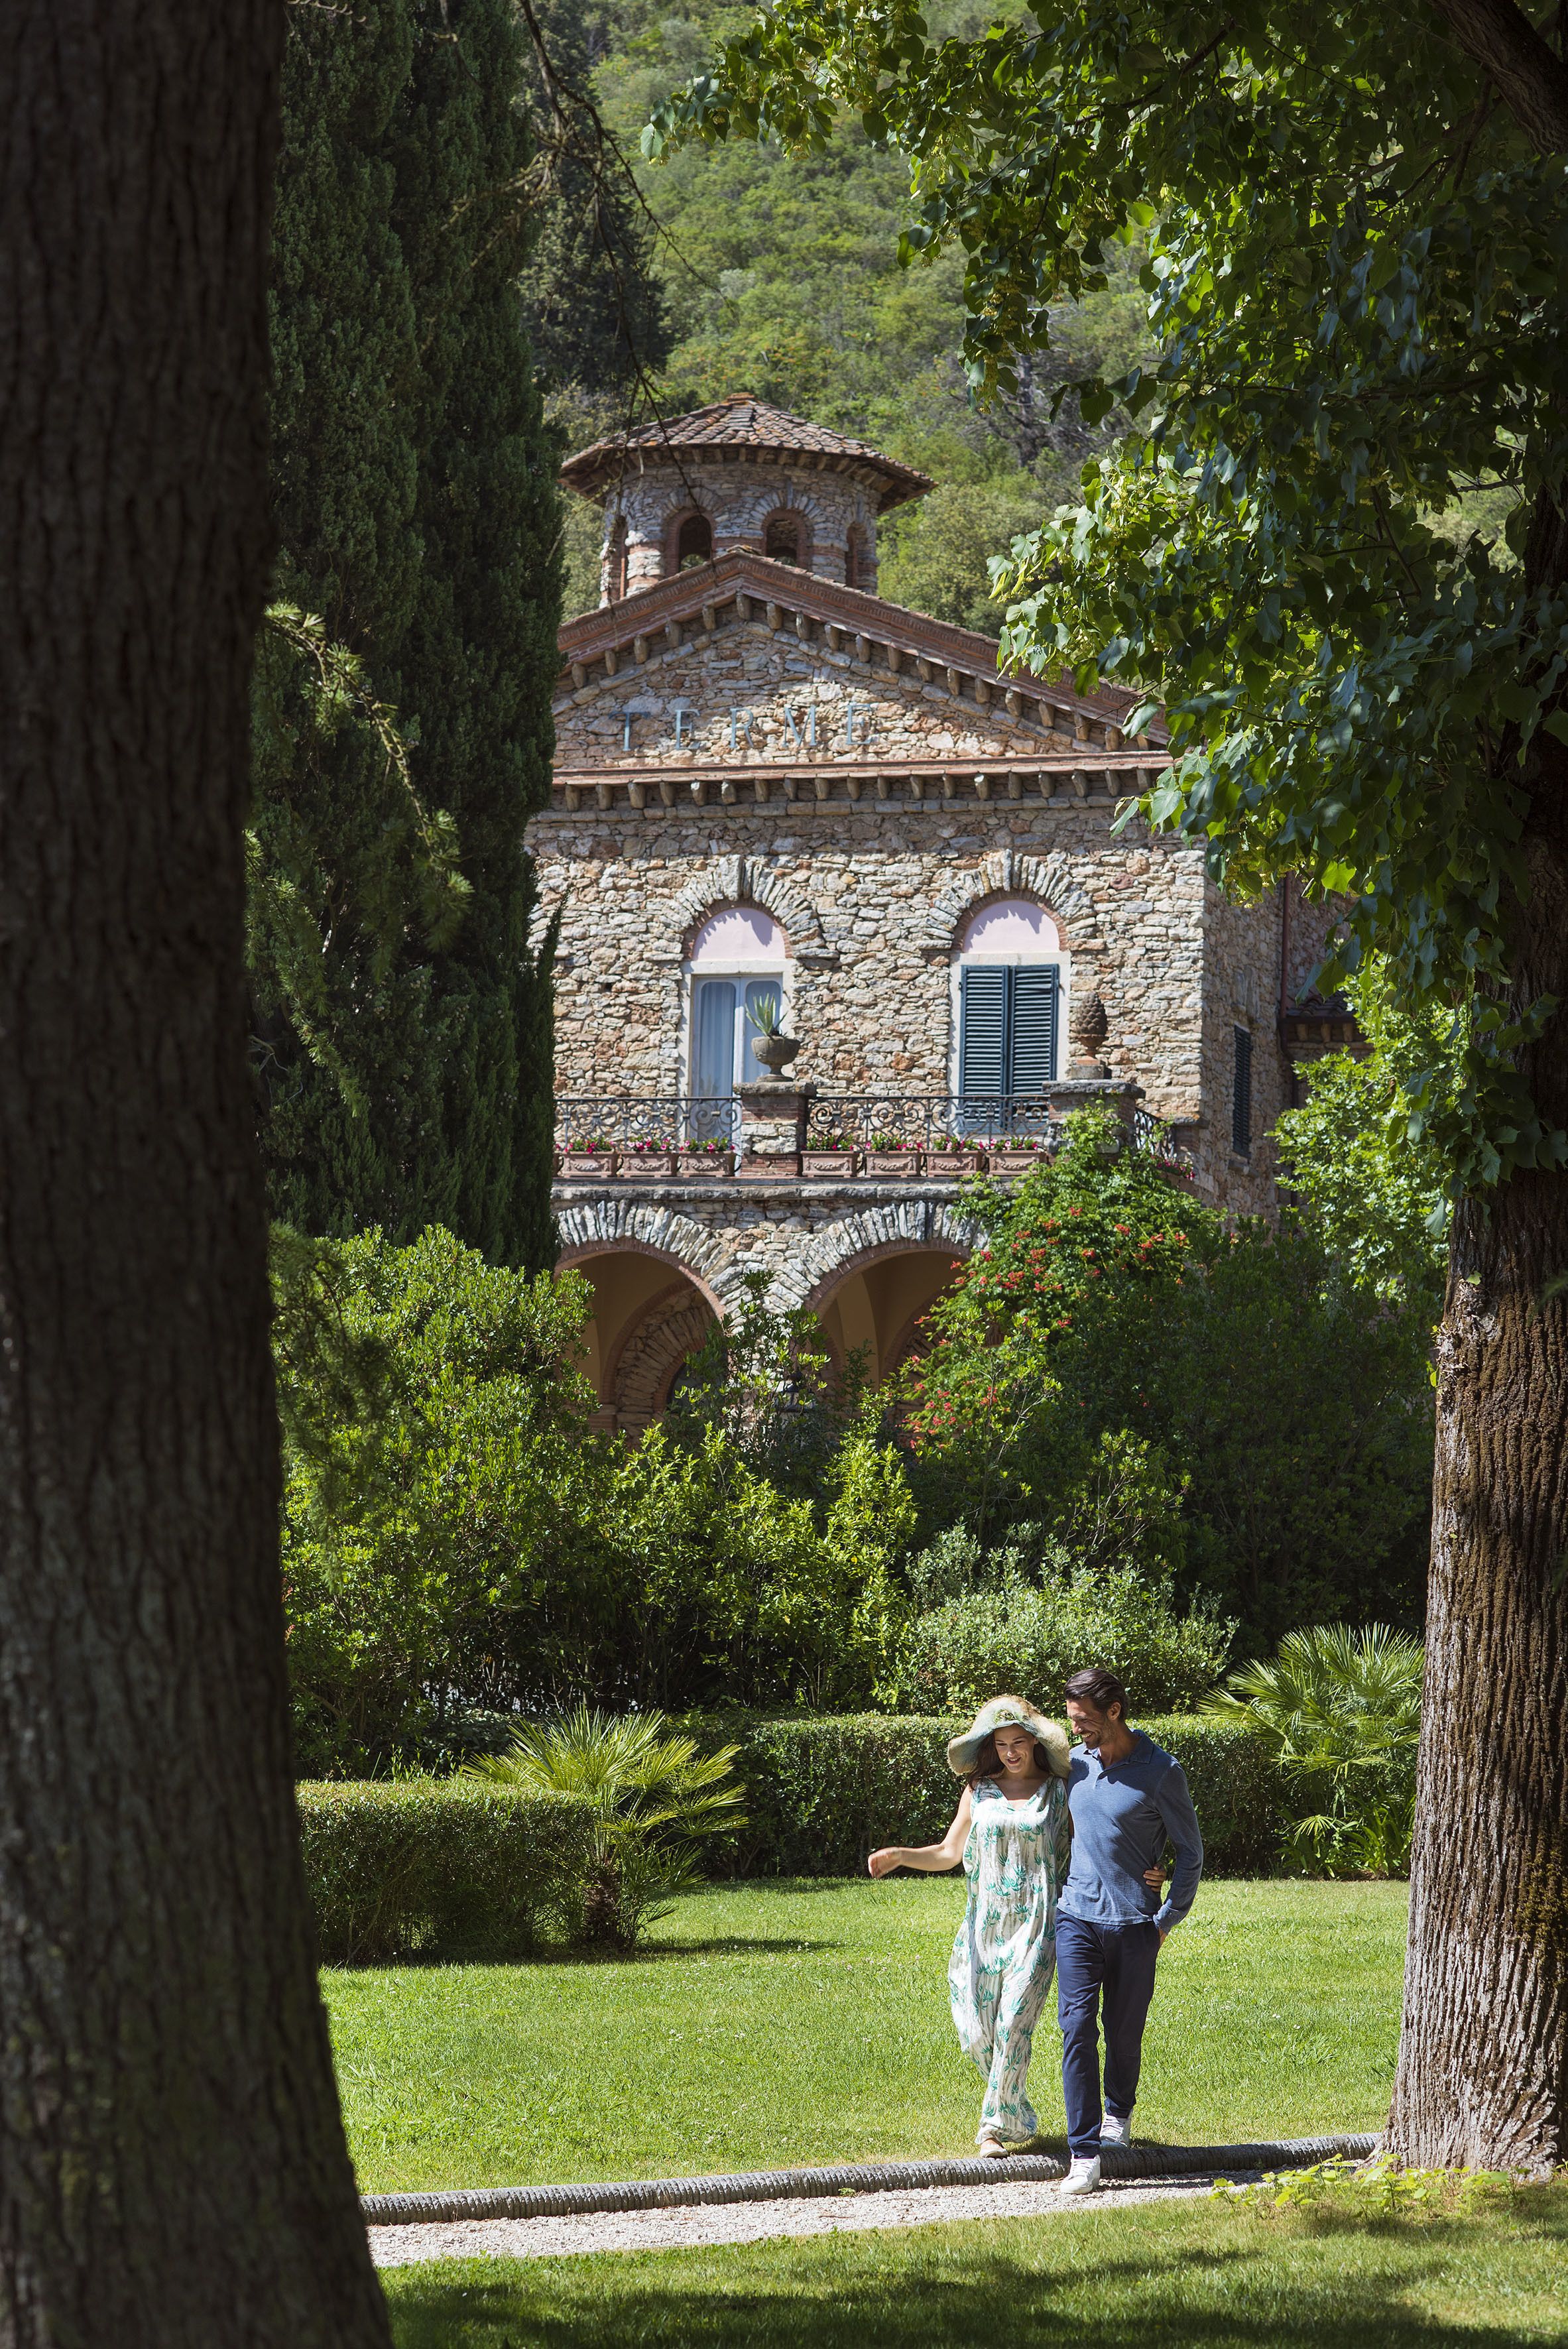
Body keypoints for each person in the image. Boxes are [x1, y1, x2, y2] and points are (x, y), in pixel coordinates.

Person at [868, 1695, 1071, 2155]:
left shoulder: (1059, 1792)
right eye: (1001, 1744)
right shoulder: (978, 1789)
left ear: (1034, 1742)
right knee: (978, 2032)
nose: (1010, 1752)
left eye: (1018, 1742)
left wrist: (1143, 1869)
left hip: (1038, 1923)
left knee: (1013, 2022)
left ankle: (992, 2128)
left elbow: (1093, 1844)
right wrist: (900, 1855)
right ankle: (1013, 2108)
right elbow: (948, 1852)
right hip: (983, 1924)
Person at [1054, 1665, 1205, 2197]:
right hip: (1075, 1915)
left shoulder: (1161, 1770)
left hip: (1135, 1923)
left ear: (1114, 1711)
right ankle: (1083, 2152)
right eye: (1071, 1719)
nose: (1076, 1729)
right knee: (1076, 2026)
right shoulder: (1074, 1762)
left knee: (1122, 2032)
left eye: (1084, 1719)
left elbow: (1190, 1851)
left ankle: (1118, 2110)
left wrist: (1166, 1919)